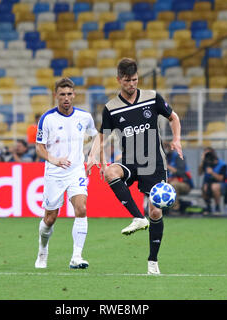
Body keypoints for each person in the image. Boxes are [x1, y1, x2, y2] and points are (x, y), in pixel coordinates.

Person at [87, 58, 183, 275]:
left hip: (153, 162)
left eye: (135, 80)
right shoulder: (111, 108)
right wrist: (94, 157)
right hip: (130, 158)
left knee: (156, 211)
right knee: (110, 171)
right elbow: (102, 138)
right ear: (119, 80)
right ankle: (138, 218)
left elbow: (173, 117)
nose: (132, 84)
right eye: (128, 81)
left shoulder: (151, 98)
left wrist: (176, 139)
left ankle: (152, 261)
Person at [34, 78, 98, 270]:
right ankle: (42, 251)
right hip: (54, 173)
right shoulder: (47, 118)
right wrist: (53, 159)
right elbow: (39, 147)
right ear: (56, 96)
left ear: (74, 95)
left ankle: (76, 257)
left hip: (76, 170)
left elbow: (96, 136)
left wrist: (92, 156)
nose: (66, 98)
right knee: (50, 218)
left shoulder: (84, 117)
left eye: (69, 94)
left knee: (81, 208)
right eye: (62, 94)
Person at [198, 147, 227, 214]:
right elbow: (199, 173)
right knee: (205, 187)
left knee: (214, 187)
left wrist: (212, 173)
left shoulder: (222, 164)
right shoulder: (206, 163)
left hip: (222, 185)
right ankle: (208, 207)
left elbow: (221, 178)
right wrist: (202, 161)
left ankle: (217, 207)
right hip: (208, 184)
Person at [165, 141, 193, 212]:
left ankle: (175, 208)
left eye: (166, 147)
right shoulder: (165, 158)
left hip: (185, 184)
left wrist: (167, 166)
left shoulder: (179, 157)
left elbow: (181, 173)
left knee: (173, 185)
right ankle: (162, 209)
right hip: (169, 182)